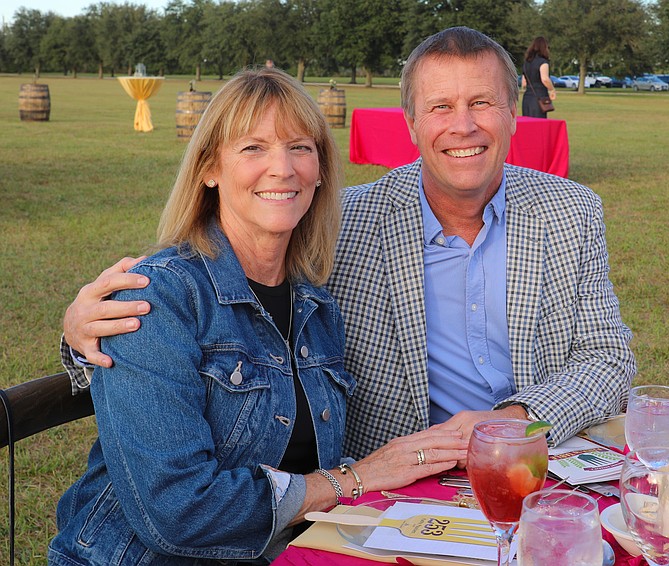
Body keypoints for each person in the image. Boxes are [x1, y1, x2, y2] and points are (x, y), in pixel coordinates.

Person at [62, 27, 636, 463]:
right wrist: (79, 335)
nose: (463, 126)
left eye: (482, 103)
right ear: (410, 123)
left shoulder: (571, 211)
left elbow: (607, 360)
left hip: (531, 467)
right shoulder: (343, 219)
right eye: (440, 107)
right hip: (394, 488)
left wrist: (508, 423)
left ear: (514, 113)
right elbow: (223, 295)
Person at [48, 67, 466, 565]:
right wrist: (353, 479)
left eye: (300, 147)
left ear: (321, 169)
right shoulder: (159, 297)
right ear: (210, 168)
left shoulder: (315, 304)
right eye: (253, 148)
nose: (282, 168)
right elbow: (179, 511)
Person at [520, 36, 557, 118]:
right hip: (539, 97)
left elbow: (524, 83)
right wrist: (552, 90)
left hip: (527, 98)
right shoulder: (543, 62)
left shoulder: (526, 63)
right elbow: (545, 79)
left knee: (528, 125)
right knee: (539, 125)